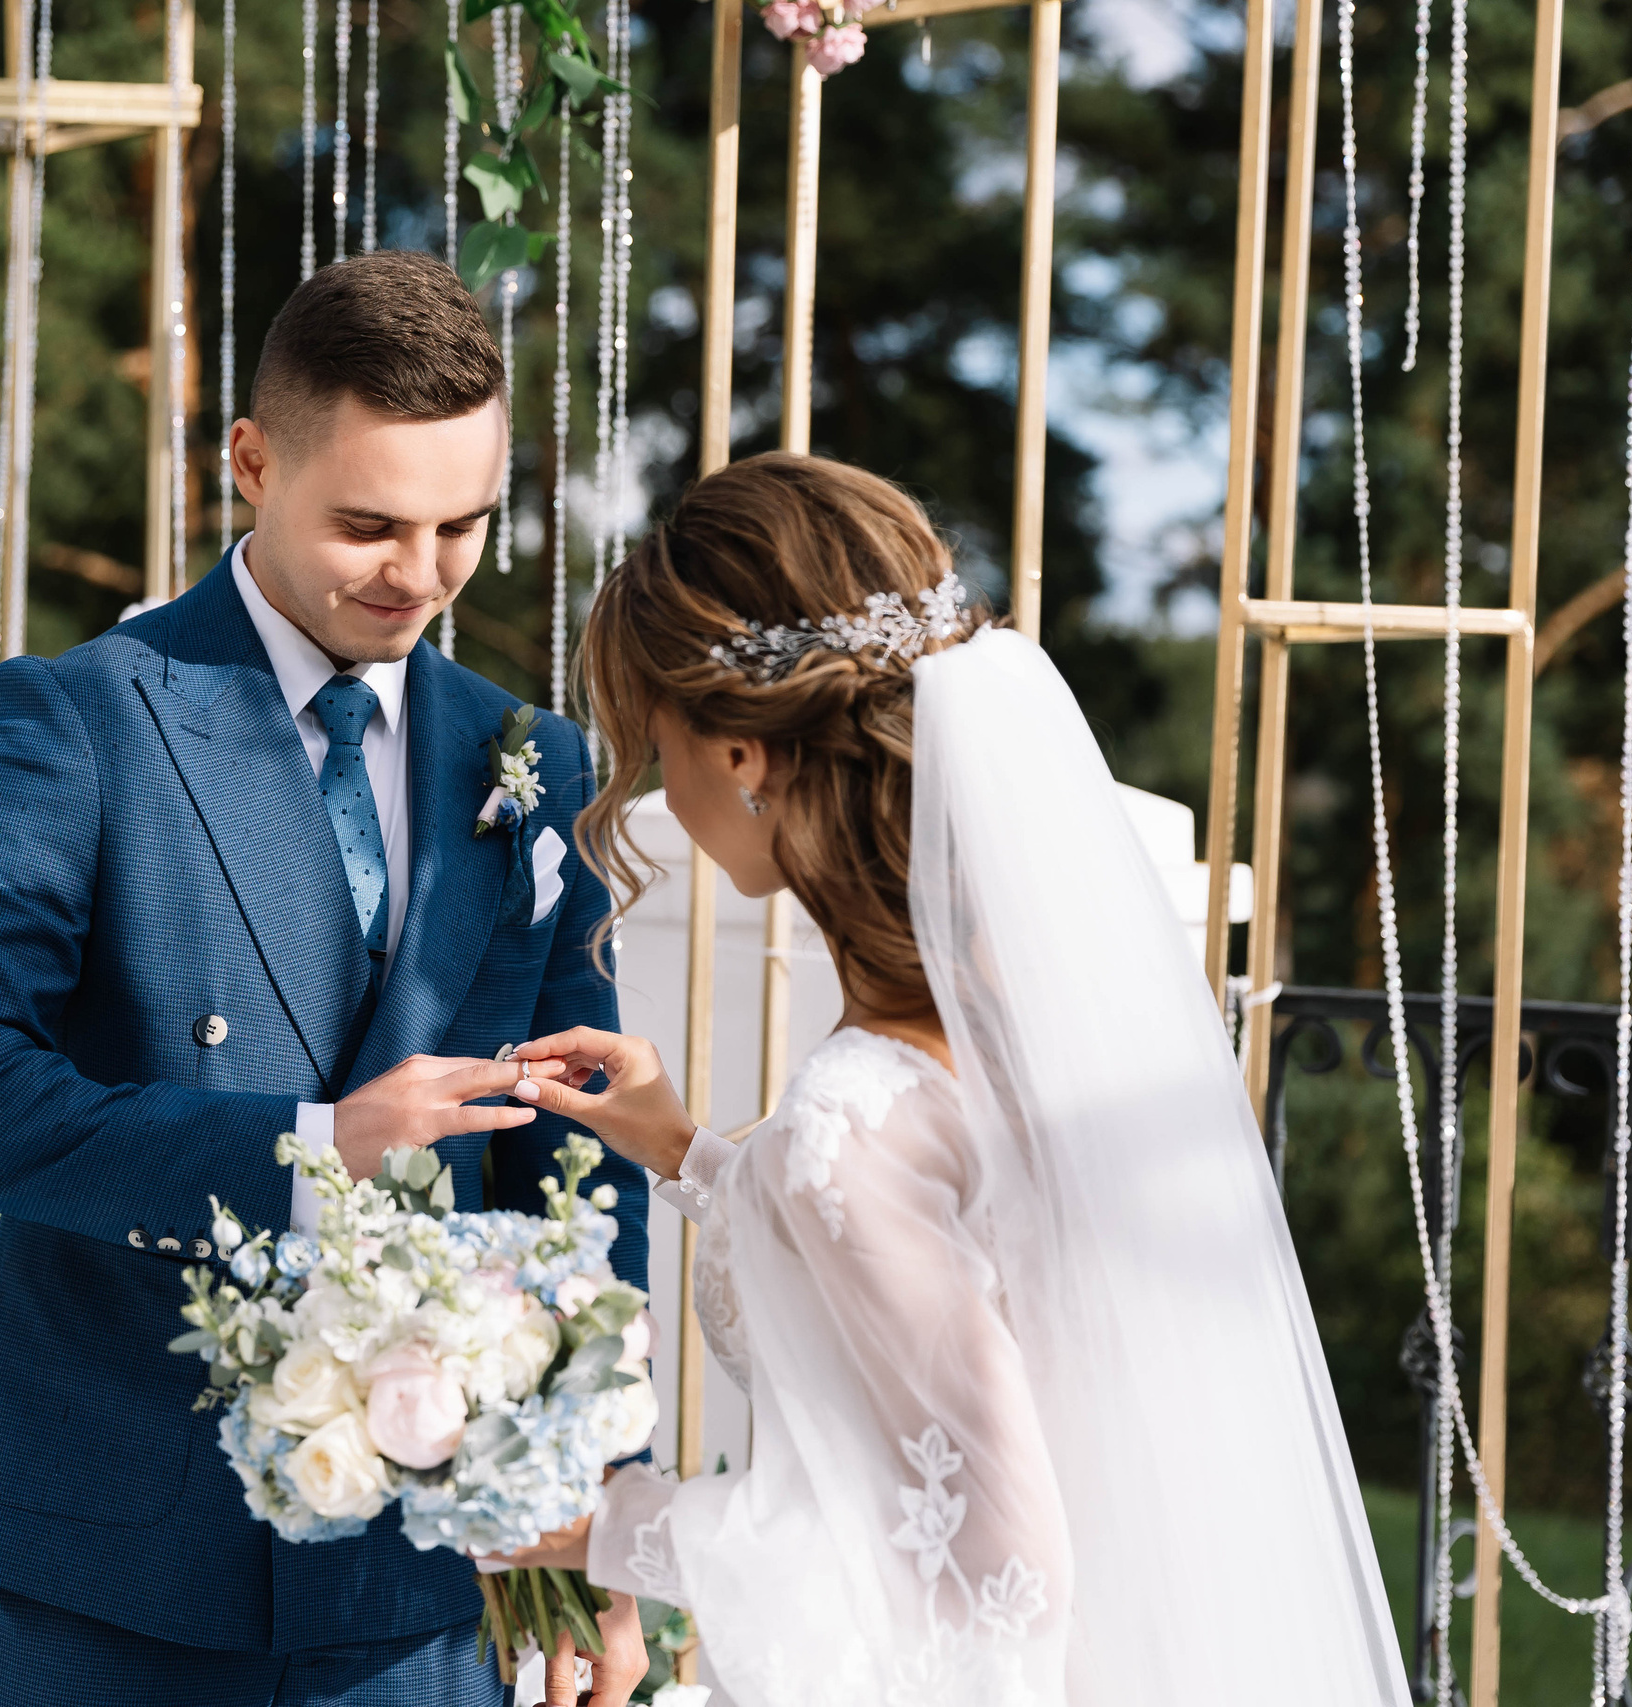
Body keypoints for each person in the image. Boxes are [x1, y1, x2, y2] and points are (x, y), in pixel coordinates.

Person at [0, 251, 649, 1707]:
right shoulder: (84, 713)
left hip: (425, 1572)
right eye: (368, 523)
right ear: (249, 459)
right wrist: (305, 1150)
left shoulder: (533, 762)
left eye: (462, 524)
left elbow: (572, 1161)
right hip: (113, 1559)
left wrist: (596, 1518)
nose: (420, 575)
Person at [497, 454, 1412, 1706]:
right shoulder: (1004, 1012)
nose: (658, 785)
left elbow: (1000, 1568)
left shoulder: (853, 1111)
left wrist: (599, 1524)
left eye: (657, 744)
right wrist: (689, 1153)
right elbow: (965, 1251)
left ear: (744, 755)